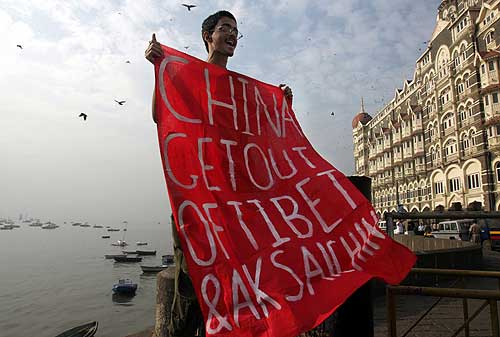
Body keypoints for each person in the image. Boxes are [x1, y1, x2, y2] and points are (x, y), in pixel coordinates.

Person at [145, 10, 293, 337]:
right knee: (190, 285)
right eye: (225, 28)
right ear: (208, 36)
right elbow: (160, 114)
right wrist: (158, 69)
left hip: (231, 203)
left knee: (232, 281)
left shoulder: (237, 90)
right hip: (196, 201)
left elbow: (260, 132)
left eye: (236, 31)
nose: (232, 34)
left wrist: (281, 104)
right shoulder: (184, 75)